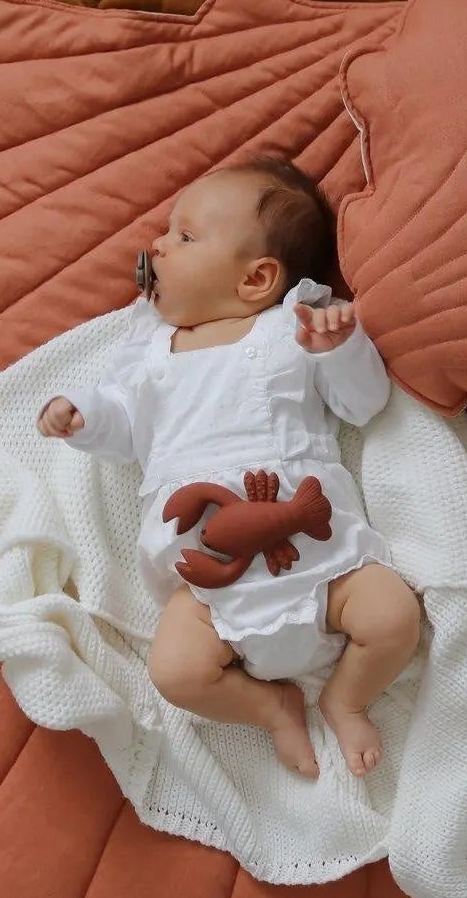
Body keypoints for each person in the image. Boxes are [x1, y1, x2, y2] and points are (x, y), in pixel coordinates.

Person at [37, 157, 422, 780]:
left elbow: (363, 405)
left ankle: (347, 699)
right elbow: (125, 427)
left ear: (256, 278)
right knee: (175, 673)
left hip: (323, 562)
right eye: (168, 232)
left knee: (393, 616)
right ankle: (272, 709)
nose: (157, 244)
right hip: (208, 584)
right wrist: (83, 418)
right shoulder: (149, 352)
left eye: (185, 236)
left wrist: (341, 350)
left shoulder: (292, 327)